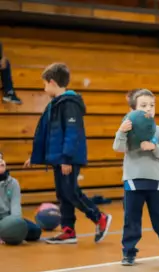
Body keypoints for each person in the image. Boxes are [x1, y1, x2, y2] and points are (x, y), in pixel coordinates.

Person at [23, 62, 112, 244]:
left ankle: (99, 217)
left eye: (45, 84)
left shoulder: (70, 104)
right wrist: (35, 155)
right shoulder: (55, 105)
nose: (44, 88)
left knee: (71, 192)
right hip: (59, 158)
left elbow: (72, 133)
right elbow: (49, 133)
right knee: (63, 194)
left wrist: (66, 158)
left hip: (67, 158)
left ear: (53, 82)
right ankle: (68, 230)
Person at [113, 88, 159, 267]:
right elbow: (118, 148)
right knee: (131, 220)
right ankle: (128, 253)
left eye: (152, 105)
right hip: (133, 182)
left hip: (155, 183)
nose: (148, 109)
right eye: (143, 105)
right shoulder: (127, 128)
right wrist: (121, 131)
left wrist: (153, 147)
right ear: (133, 109)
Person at [0, 156, 41, 244]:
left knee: (35, 231)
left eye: (1, 158)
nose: (1, 161)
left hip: (9, 218)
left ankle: (7, 233)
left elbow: (16, 207)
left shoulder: (13, 182)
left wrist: (15, 225)